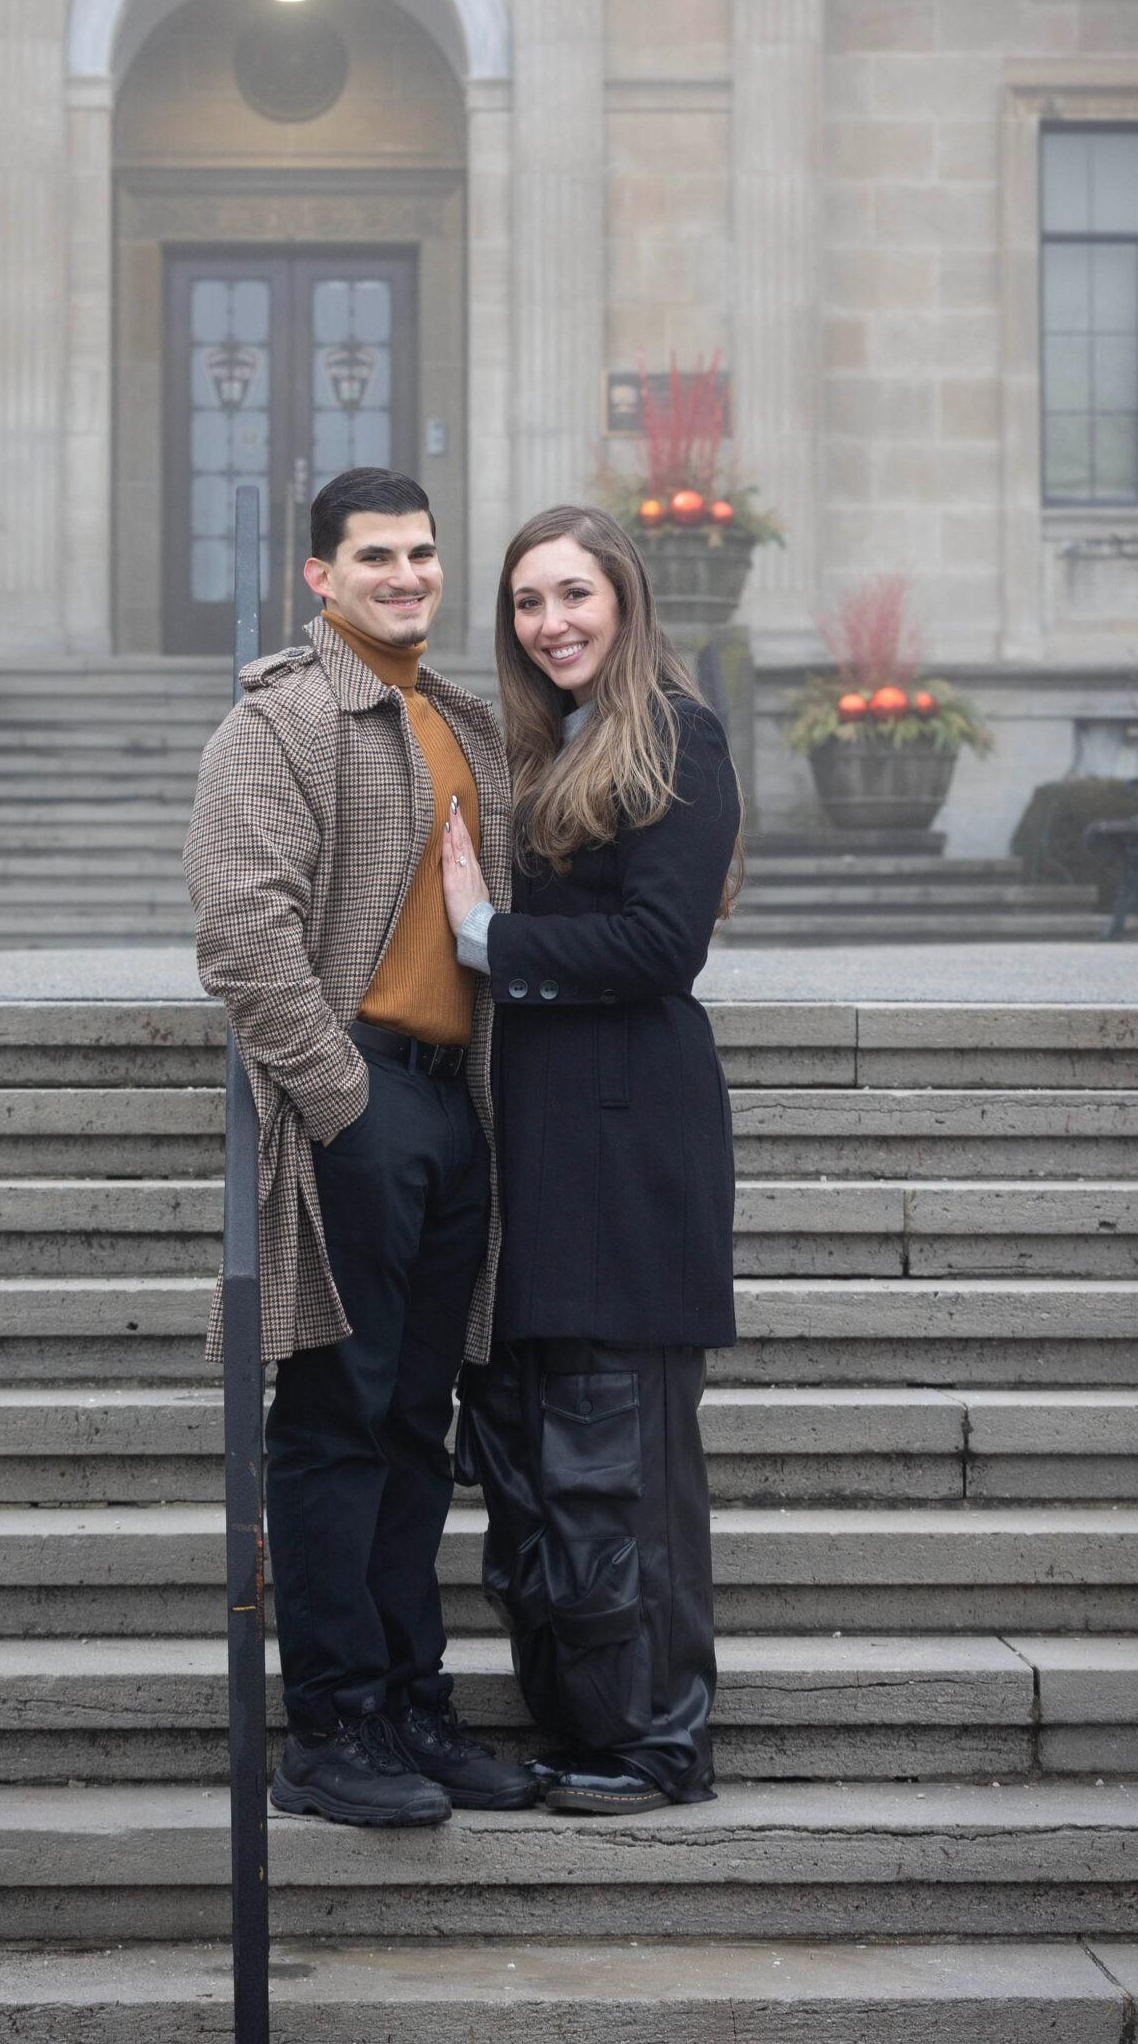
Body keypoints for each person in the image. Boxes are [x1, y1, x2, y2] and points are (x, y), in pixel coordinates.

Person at [185, 467, 536, 1827]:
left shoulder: (458, 723)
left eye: (425, 555)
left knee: (413, 1425)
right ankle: (330, 1728)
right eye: (376, 556)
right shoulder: (281, 723)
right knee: (337, 1425)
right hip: (360, 1103)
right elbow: (240, 934)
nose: (408, 576)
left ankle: (411, 1707)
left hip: (458, 1110)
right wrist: (346, 1100)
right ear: (320, 577)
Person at [440, 503, 742, 1814]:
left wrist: (487, 938)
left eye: (573, 594)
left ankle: (659, 1743)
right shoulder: (531, 745)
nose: (550, 622)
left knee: (622, 1465)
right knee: (534, 1464)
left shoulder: (679, 734)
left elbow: (662, 947)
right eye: (525, 601)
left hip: (630, 1148)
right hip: (534, 1153)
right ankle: (579, 1722)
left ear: (623, 599)